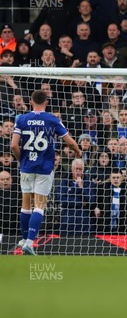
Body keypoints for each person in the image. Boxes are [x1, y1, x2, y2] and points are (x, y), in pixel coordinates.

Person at [10, 90, 82, 255]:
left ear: (30, 101)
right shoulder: (52, 119)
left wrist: (21, 159)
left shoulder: (21, 119)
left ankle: (24, 238)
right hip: (44, 167)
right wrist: (77, 151)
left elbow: (14, 145)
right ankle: (29, 242)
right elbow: (69, 142)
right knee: (39, 206)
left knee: (26, 203)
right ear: (47, 102)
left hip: (27, 167)